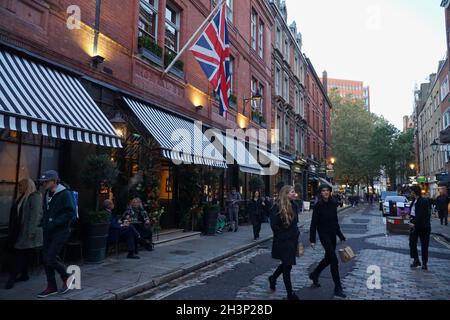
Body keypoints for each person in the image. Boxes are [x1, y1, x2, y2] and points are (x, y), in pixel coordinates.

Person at [37, 170, 76, 298]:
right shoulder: (47, 193)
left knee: (50, 258)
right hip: (48, 230)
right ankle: (51, 286)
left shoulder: (65, 194)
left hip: (61, 231)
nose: (44, 184)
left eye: (46, 181)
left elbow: (71, 213)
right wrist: (43, 222)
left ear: (55, 181)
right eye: (43, 182)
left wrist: (54, 221)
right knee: (46, 259)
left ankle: (68, 277)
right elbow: (47, 211)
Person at [309, 184, 347, 299]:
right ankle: (338, 287)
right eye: (323, 191)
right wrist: (312, 239)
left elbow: (335, 221)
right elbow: (313, 224)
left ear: (330, 192)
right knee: (334, 260)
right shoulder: (317, 206)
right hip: (323, 234)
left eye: (327, 191)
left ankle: (314, 274)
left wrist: (340, 235)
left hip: (332, 235)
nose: (325, 192)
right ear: (320, 193)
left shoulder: (333, 203)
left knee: (328, 258)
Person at [5, 179, 43, 290]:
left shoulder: (34, 197)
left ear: (27, 186)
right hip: (18, 231)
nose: (19, 188)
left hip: (26, 232)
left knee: (19, 254)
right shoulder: (22, 197)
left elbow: (35, 216)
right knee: (23, 254)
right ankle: (24, 275)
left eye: (21, 186)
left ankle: (12, 278)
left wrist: (31, 232)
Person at [268, 185, 300, 300]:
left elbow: (295, 223)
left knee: (287, 265)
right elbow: (274, 226)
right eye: (292, 192)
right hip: (283, 242)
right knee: (287, 267)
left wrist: (296, 234)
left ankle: (273, 278)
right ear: (285, 194)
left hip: (293, 240)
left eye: (294, 191)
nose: (294, 193)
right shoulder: (276, 207)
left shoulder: (295, 206)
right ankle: (290, 293)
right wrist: (283, 236)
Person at [409, 186, 431, 270]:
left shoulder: (423, 201)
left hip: (423, 226)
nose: (410, 193)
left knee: (424, 245)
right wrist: (408, 215)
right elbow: (413, 212)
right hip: (414, 225)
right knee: (412, 243)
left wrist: (414, 224)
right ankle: (416, 260)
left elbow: (422, 215)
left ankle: (424, 263)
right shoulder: (414, 200)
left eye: (411, 191)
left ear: (414, 192)